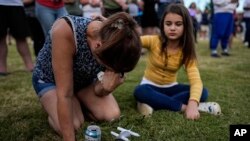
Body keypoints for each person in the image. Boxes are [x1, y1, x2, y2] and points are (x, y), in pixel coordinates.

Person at [32, 12, 141, 140]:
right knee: (73, 125)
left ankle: (76, 103)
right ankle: (53, 107)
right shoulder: (65, 30)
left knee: (111, 115)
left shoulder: (115, 38)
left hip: (83, 81)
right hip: (51, 81)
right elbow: (65, 94)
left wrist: (107, 87)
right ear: (98, 46)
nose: (111, 71)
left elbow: (98, 90)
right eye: (110, 67)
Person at [133, 3, 221, 120]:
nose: (172, 28)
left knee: (202, 92)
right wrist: (190, 107)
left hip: (171, 88)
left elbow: (196, 81)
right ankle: (183, 107)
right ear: (163, 25)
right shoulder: (154, 40)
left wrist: (193, 102)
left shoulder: (187, 50)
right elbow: (133, 42)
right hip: (149, 86)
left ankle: (152, 103)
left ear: (185, 26)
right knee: (140, 91)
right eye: (168, 24)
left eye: (178, 24)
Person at [0, 0, 34, 76]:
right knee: (1, 39)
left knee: (21, 37)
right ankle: (2, 69)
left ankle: (30, 66)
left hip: (16, 5)